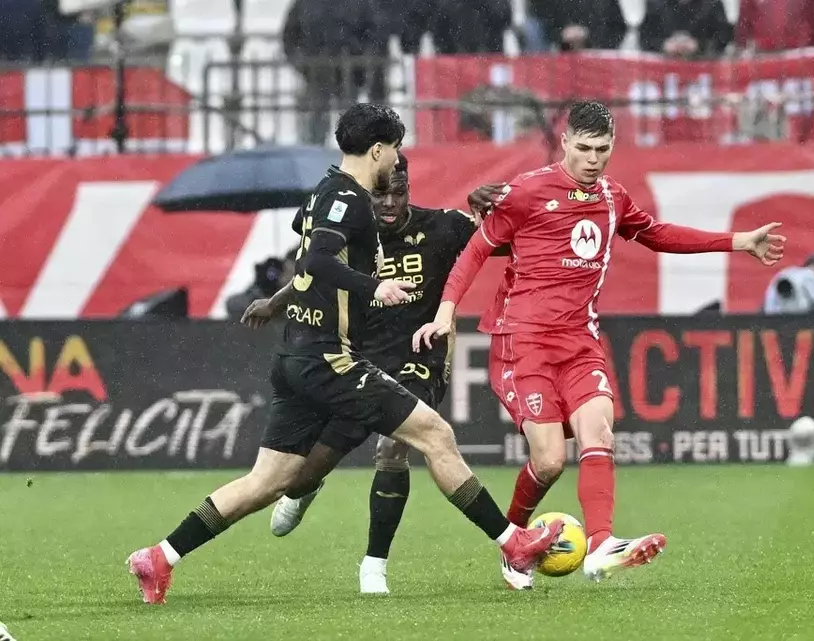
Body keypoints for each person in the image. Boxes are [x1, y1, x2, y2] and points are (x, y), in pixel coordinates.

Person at [126, 104, 563, 605]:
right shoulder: (352, 200)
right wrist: (373, 286)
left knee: (269, 480)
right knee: (435, 434)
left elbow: (308, 250)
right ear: (377, 149)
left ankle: (159, 556)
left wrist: (279, 300)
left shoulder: (320, 195)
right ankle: (515, 543)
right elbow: (316, 259)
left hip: (295, 354)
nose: (395, 160)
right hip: (328, 358)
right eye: (394, 149)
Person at [413, 101, 786, 590]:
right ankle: (513, 547)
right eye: (584, 148)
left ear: (613, 147)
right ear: (565, 143)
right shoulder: (526, 192)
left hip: (579, 340)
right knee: (548, 460)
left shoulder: (612, 197)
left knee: (600, 432)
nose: (593, 159)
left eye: (603, 149)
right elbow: (477, 250)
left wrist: (738, 241)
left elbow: (658, 234)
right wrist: (446, 310)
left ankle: (602, 544)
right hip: (522, 340)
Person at [263, 153, 502, 594]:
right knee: (300, 473)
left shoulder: (444, 227)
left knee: (394, 450)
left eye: (400, 192)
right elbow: (312, 275)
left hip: (420, 357)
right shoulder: (353, 233)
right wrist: (274, 304)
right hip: (359, 360)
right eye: (381, 194)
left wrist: (490, 209)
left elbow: (502, 240)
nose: (390, 202)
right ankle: (305, 489)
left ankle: (374, 566)